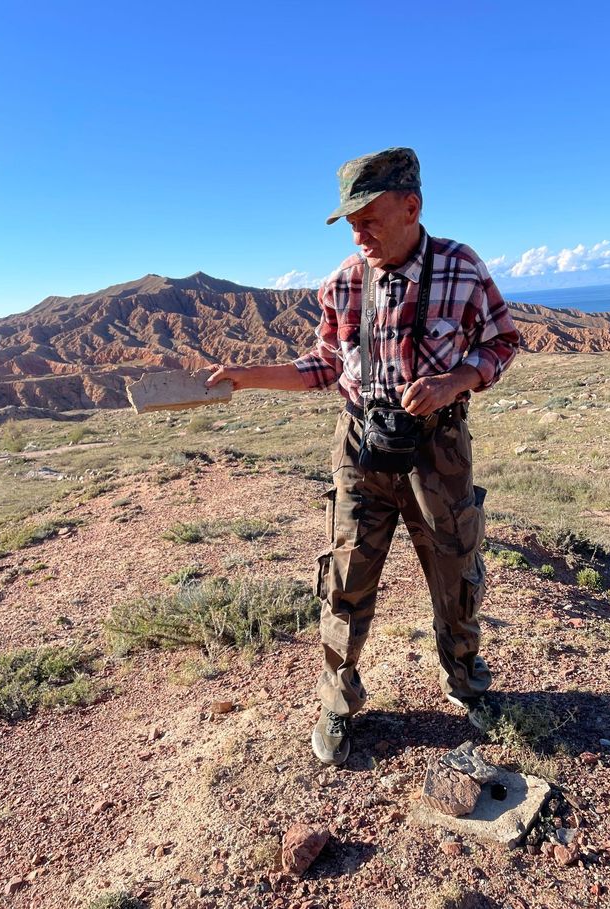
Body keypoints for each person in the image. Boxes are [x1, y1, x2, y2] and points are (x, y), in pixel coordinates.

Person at [207, 147, 520, 766]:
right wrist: (245, 377)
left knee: (456, 568)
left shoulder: (462, 268)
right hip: (360, 446)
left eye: (369, 217)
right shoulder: (345, 282)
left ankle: (466, 685)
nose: (358, 234)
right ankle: (337, 702)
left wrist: (456, 381)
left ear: (411, 206)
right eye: (350, 222)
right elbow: (322, 366)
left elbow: (504, 341)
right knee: (345, 577)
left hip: (438, 448)